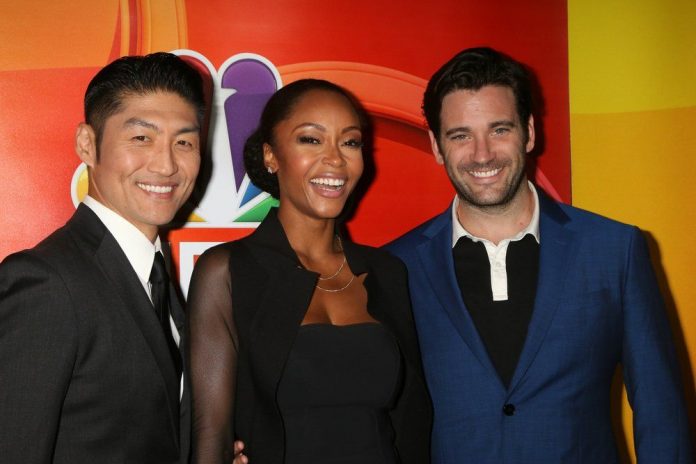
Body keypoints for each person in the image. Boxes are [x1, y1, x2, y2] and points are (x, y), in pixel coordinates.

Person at [385, 47, 693, 463]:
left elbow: (661, 413)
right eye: (460, 136)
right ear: (437, 146)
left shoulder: (613, 250)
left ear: (528, 132)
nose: (482, 154)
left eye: (499, 130)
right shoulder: (397, 267)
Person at [187, 78, 432, 464]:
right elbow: (209, 433)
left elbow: (411, 424)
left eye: (350, 142)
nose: (335, 159)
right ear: (271, 156)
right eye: (311, 139)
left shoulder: (387, 272)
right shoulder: (228, 272)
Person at [0, 52, 205, 463]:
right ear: (87, 144)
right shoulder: (46, 283)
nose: (166, 165)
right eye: (141, 138)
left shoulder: (158, 276)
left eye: (184, 142)